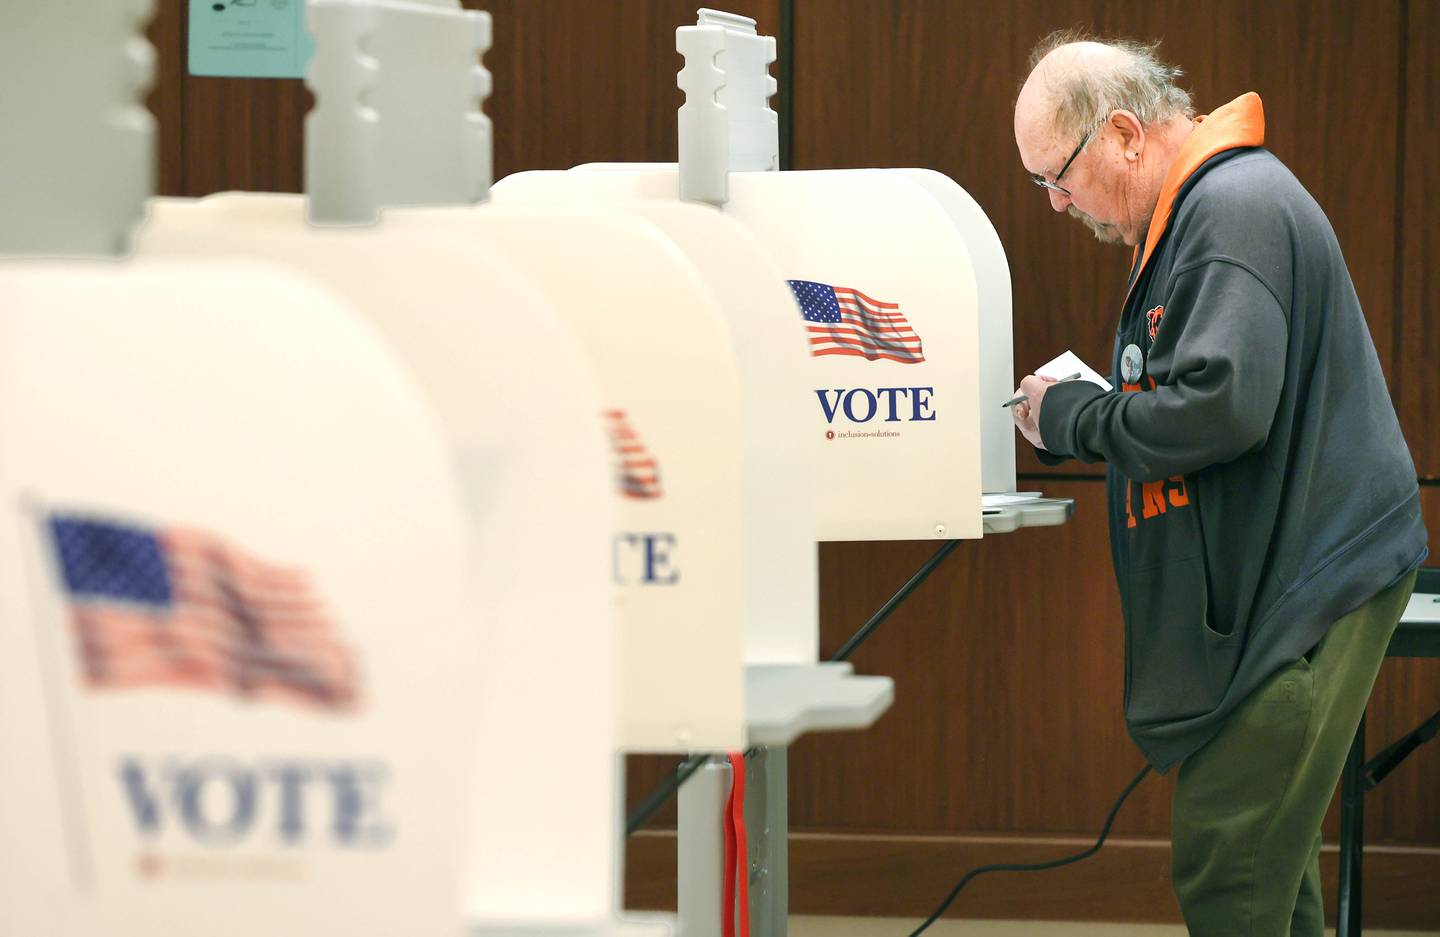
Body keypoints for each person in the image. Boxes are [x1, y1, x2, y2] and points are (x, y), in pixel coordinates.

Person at [1011, 31, 1428, 934]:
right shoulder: (1205, 208)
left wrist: (1074, 416)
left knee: (1231, 869)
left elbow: (1219, 408)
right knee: (1271, 877)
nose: (1055, 202)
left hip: (1306, 592)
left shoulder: (1229, 208)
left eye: (1058, 174)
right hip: (1292, 581)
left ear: (1124, 134)